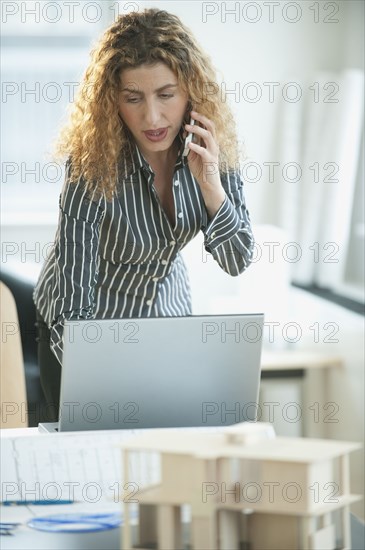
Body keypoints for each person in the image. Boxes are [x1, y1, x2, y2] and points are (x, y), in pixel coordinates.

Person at [33, 8, 255, 420]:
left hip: (162, 322)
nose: (152, 118)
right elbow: (72, 302)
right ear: (112, 101)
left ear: (191, 90)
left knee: (158, 468)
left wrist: (210, 186)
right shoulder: (92, 165)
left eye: (166, 95)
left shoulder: (210, 148)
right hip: (85, 328)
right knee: (92, 468)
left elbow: (237, 258)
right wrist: (96, 377)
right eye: (133, 98)